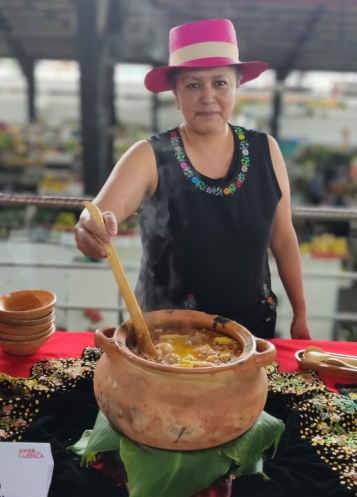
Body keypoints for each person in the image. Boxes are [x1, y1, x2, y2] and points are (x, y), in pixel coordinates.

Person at [75, 18, 311, 340]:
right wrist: (89, 226)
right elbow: (100, 211)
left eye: (220, 83)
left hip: (251, 332)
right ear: (175, 93)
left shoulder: (265, 150)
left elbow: (283, 239)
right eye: (193, 85)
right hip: (167, 336)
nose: (208, 97)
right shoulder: (149, 155)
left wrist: (301, 314)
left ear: (237, 85)